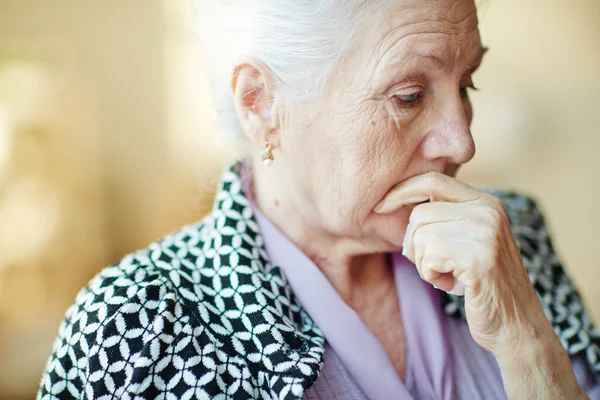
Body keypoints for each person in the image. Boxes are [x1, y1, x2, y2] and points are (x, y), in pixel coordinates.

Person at [38, 0, 600, 398]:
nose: (462, 140)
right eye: (408, 96)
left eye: (467, 84)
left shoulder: (511, 235)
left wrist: (527, 344)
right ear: (259, 102)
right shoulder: (136, 327)